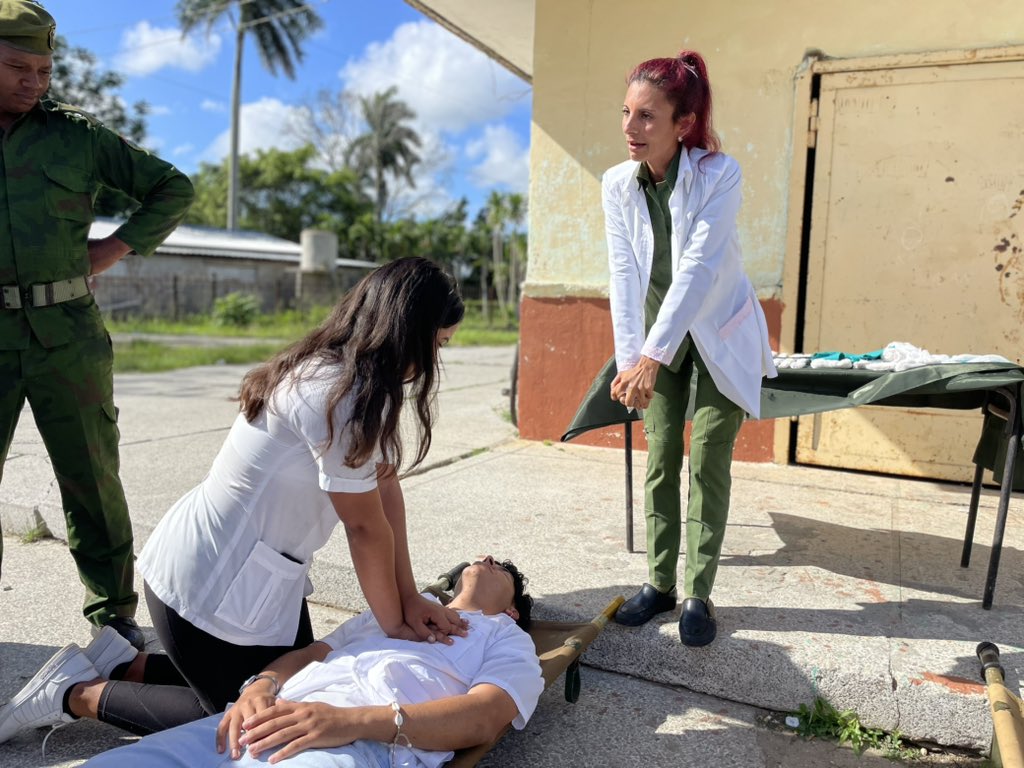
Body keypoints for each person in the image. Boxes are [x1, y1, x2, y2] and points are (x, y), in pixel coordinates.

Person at [0, 257, 470, 746]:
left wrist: (409, 596)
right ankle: (73, 692)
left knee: (299, 686)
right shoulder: (337, 393)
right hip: (207, 588)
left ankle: (122, 662)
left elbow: (385, 488)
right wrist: (392, 622)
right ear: (408, 332)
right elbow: (366, 529)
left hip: (246, 579)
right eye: (437, 344)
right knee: (251, 726)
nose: (434, 361)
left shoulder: (349, 377)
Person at [0, 0, 195, 651]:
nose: (34, 81)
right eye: (17, 67)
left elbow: (172, 186)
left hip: (68, 338)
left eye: (44, 69)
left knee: (91, 476)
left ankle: (111, 613)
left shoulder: (75, 137)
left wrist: (114, 247)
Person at [3, 556, 542, 768]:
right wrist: (259, 684)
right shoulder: (396, 615)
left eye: (502, 566)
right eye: (478, 555)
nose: (485, 558)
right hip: (257, 717)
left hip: (355, 742)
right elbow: (312, 653)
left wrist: (345, 722)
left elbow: (483, 718)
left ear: (513, 607)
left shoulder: (508, 642)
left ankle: (85, 689)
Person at [602, 50, 776, 646]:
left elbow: (698, 268)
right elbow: (623, 275)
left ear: (683, 124)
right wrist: (633, 361)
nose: (630, 127)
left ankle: (699, 592)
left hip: (717, 334)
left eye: (648, 116)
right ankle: (659, 584)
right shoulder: (616, 185)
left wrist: (652, 358)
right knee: (659, 459)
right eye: (626, 112)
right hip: (655, 335)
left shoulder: (718, 175)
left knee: (707, 458)